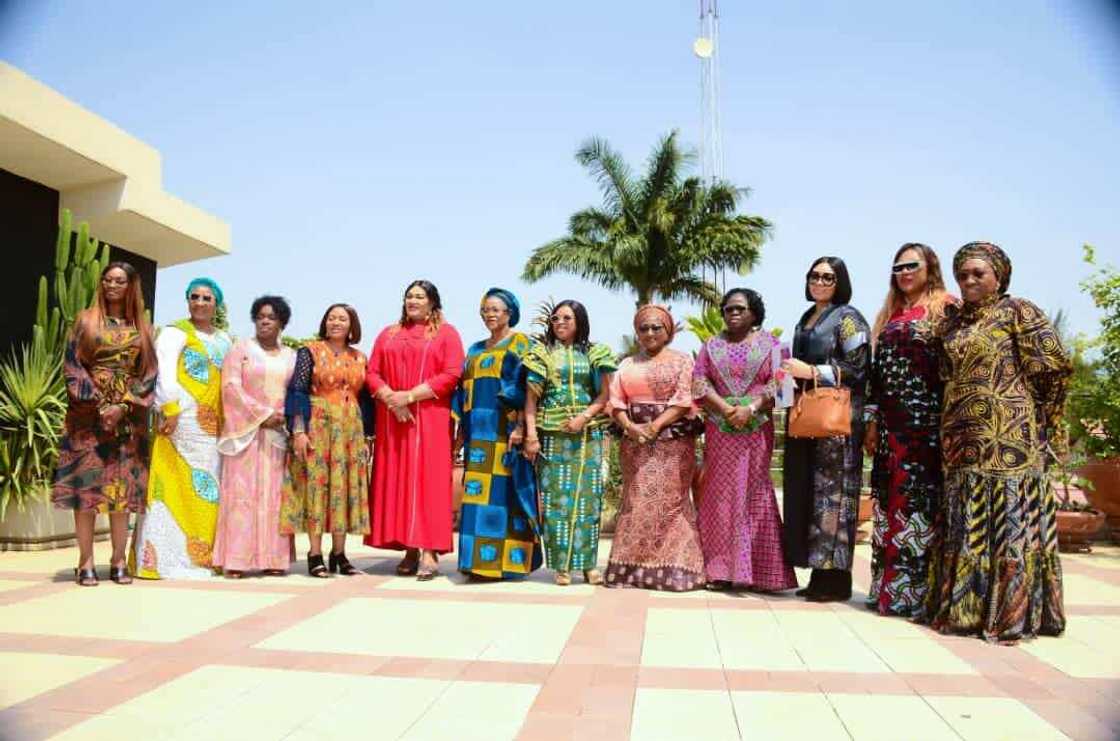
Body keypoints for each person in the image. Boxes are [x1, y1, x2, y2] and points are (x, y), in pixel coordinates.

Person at [923, 242, 1070, 643]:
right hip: (960, 438)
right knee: (966, 523)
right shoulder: (951, 323)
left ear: (999, 276)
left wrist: (1043, 421)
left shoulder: (1020, 312)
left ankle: (1013, 613)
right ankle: (965, 610)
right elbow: (942, 373)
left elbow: (1054, 370)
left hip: (1012, 439)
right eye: (963, 275)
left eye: (978, 273)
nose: (969, 281)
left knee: (1009, 524)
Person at [864, 244, 955, 616]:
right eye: (897, 266)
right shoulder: (889, 314)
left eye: (911, 265)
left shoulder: (948, 307)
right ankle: (887, 591)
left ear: (929, 267)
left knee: (920, 510)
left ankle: (917, 596)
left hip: (927, 429)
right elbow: (875, 376)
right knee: (889, 506)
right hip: (890, 429)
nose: (903, 272)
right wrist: (871, 421)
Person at [52, 262, 156, 586]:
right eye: (108, 279)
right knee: (86, 493)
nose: (112, 285)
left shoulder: (142, 328)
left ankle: (118, 560)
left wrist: (123, 405)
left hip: (127, 422)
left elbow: (149, 372)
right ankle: (85, 561)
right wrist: (100, 404)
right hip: (87, 419)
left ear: (130, 286)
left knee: (121, 492)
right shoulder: (85, 320)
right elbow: (72, 365)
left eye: (119, 281)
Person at [693, 289, 798, 592]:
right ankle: (720, 571)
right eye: (727, 309)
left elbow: (782, 387)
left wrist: (749, 409)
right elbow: (699, 383)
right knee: (720, 496)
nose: (732, 313)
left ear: (754, 312)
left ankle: (762, 573)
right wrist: (727, 409)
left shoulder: (776, 346)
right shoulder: (710, 345)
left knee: (755, 493)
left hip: (756, 430)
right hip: (719, 430)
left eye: (739, 308)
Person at [781, 256, 871, 602]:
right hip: (806, 418)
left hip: (836, 423)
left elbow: (859, 368)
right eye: (814, 276)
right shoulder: (806, 318)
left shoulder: (849, 318)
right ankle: (819, 574)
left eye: (827, 277)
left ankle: (835, 580)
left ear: (840, 282)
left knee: (833, 497)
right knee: (809, 493)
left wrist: (814, 372)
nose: (819, 281)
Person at [132, 278, 232, 579]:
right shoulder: (175, 333)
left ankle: (202, 558)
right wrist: (170, 409)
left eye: (207, 298)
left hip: (214, 425)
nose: (200, 303)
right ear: (187, 300)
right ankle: (162, 562)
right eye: (195, 297)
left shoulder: (225, 339)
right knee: (173, 487)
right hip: (181, 421)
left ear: (217, 304)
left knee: (208, 489)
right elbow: (163, 373)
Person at [366, 281, 464, 580]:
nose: (413, 300)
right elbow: (372, 372)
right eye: (409, 296)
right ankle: (409, 547)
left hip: (430, 419)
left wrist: (409, 396)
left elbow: (451, 374)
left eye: (420, 296)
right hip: (393, 421)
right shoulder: (389, 334)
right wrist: (392, 400)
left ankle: (429, 550)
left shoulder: (447, 334)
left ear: (433, 302)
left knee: (428, 482)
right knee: (399, 480)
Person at [604, 305, 705, 591]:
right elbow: (615, 401)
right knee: (636, 501)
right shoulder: (626, 365)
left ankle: (678, 570)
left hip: (673, 443)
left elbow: (684, 399)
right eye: (643, 328)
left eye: (656, 327)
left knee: (671, 503)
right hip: (634, 443)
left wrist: (654, 426)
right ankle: (630, 571)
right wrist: (630, 427)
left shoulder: (683, 361)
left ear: (668, 331)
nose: (649, 333)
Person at [523, 300, 616, 586]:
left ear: (579, 321)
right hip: (551, 436)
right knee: (555, 503)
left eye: (567, 317)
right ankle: (561, 566)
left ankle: (588, 564)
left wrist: (584, 417)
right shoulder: (541, 354)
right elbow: (530, 400)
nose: (560, 322)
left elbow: (605, 395)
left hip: (588, 435)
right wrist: (531, 436)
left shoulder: (594, 353)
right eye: (555, 318)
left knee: (589, 501)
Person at [451, 288, 541, 580]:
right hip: (478, 435)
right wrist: (461, 432)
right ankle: (475, 563)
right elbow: (463, 391)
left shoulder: (521, 343)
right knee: (476, 496)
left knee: (507, 495)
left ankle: (510, 565)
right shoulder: (475, 349)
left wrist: (521, 428)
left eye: (496, 309)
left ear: (509, 313)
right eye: (486, 310)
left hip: (507, 432)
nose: (490, 314)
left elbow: (527, 388)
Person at [281, 303, 373, 577]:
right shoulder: (309, 350)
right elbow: (296, 390)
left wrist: (368, 436)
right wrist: (298, 430)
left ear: (351, 326)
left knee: (344, 488)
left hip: (350, 429)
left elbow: (366, 399)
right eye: (331, 318)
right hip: (318, 424)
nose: (336, 322)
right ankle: (314, 554)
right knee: (317, 486)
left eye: (342, 319)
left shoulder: (360, 357)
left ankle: (340, 554)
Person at [211, 296, 297, 577]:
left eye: (271, 317)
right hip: (245, 434)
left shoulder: (290, 356)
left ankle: (274, 559)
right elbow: (231, 388)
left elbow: (295, 392)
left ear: (281, 322)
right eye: (260, 316)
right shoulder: (241, 350)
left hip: (276, 437)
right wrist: (262, 416)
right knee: (241, 496)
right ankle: (235, 561)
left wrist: (282, 419)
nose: (264, 321)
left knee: (274, 498)